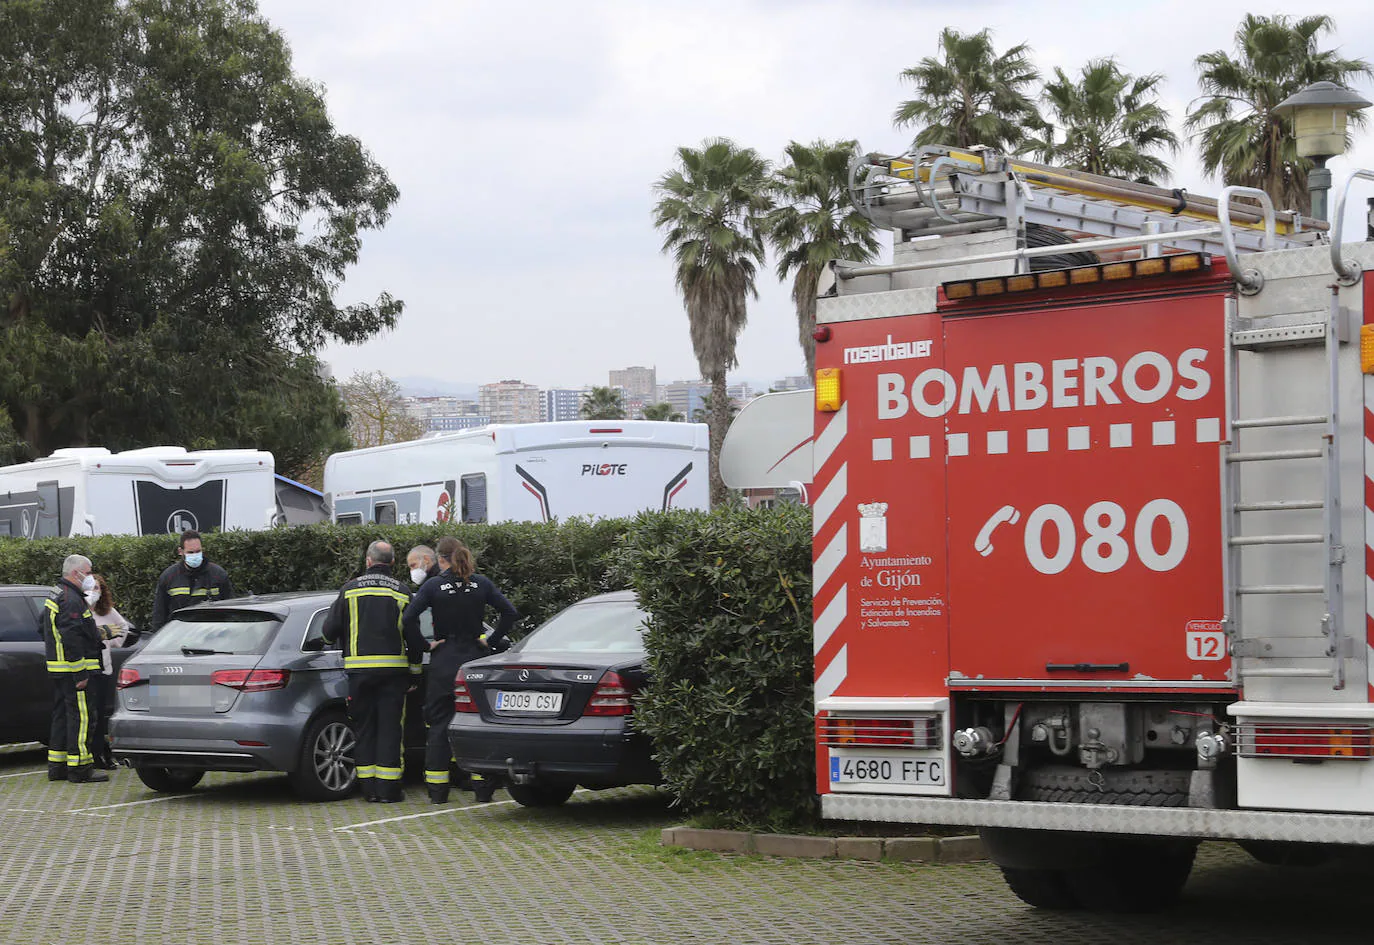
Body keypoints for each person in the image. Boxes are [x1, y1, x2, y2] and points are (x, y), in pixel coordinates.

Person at [404, 536, 517, 805]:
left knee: (439, 725)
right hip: (474, 662)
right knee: (478, 724)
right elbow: (510, 613)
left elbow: (408, 618)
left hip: (444, 661)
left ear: (441, 559)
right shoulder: (481, 583)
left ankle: (438, 792)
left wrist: (425, 645)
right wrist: (488, 642)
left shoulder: (433, 585)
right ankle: (482, 788)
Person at [322, 540, 425, 804]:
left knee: (364, 729)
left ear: (368, 561)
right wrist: (414, 672)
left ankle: (368, 789)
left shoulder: (349, 590)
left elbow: (328, 631)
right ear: (392, 562)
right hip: (393, 674)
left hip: (359, 674)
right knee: (390, 730)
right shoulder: (402, 592)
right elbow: (414, 637)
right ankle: (389, 790)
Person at [40, 555, 108, 783]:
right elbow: (72, 637)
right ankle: (80, 769)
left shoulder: (57, 593)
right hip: (74, 671)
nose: (90, 577)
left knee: (61, 718)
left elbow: (42, 626)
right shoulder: (71, 599)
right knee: (82, 718)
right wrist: (80, 672)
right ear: (75, 573)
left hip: (59, 669)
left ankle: (57, 767)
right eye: (88, 573)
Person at [86, 574, 132, 769]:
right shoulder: (81, 610)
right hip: (86, 668)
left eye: (98, 588)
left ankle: (100, 753)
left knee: (99, 712)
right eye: (92, 588)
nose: (95, 592)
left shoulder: (107, 611)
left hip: (103, 668)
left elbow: (123, 627)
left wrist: (111, 640)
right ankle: (93, 752)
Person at [151, 530, 234, 631]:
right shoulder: (169, 577)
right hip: (179, 635)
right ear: (180, 552)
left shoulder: (218, 575)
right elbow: (159, 614)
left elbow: (230, 609)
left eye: (198, 551)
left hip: (211, 635)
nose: (195, 555)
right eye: (190, 552)